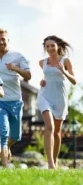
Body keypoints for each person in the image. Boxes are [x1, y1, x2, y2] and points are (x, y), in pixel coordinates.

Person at [0, 28, 31, 167]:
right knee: (3, 132)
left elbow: (28, 76)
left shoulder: (18, 56)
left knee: (15, 136)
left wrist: (15, 68)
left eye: (3, 39)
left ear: (8, 40)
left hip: (15, 101)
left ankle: (7, 147)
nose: (1, 41)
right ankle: (5, 166)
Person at [37, 35, 76, 169]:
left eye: (52, 45)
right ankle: (50, 164)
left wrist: (63, 71)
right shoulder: (42, 62)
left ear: (58, 46)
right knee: (49, 126)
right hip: (45, 95)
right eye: (47, 46)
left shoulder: (66, 61)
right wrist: (41, 81)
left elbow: (74, 81)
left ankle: (55, 159)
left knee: (57, 132)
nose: (50, 48)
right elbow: (46, 77)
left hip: (60, 97)